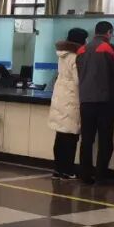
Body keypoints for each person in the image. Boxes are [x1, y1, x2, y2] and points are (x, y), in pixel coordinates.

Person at [76, 20, 114, 184]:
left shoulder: (82, 49)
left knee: (87, 140)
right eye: (111, 34)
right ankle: (100, 176)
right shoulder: (108, 48)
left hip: (86, 100)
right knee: (105, 140)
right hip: (105, 101)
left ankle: (85, 175)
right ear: (109, 32)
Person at [47, 27, 88, 180]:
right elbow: (78, 80)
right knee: (70, 137)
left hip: (60, 98)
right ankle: (67, 170)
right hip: (72, 99)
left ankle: (58, 169)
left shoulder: (62, 55)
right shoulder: (76, 57)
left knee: (60, 136)